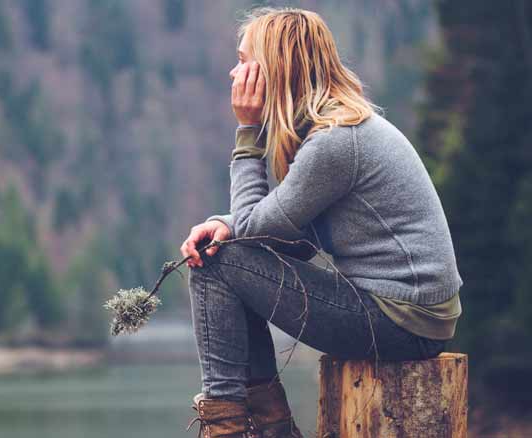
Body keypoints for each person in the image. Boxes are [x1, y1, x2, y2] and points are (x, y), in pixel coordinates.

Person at [179, 6, 463, 438]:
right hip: (408, 316)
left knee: (217, 263)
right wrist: (227, 222)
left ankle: (228, 428)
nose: (233, 75)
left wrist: (248, 132)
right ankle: (265, 428)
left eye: (243, 61)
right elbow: (291, 237)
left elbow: (257, 232)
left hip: (403, 321)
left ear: (273, 68)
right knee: (225, 252)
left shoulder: (336, 142)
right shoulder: (334, 130)